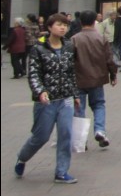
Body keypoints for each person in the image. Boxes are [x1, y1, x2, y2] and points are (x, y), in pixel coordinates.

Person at [14, 13, 80, 184]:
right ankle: (22, 157)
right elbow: (34, 74)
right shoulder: (38, 48)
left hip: (65, 99)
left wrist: (75, 94)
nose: (63, 28)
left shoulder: (69, 47)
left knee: (65, 134)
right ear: (49, 27)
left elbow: (71, 73)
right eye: (59, 24)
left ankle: (61, 172)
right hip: (46, 101)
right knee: (41, 136)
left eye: (65, 25)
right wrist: (40, 92)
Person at [72, 10, 117, 149]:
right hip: (97, 78)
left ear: (81, 22)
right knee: (98, 105)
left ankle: (80, 140)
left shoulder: (74, 39)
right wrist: (113, 74)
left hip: (79, 78)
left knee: (79, 108)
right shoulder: (101, 38)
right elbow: (109, 58)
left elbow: (69, 61)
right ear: (94, 22)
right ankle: (99, 130)